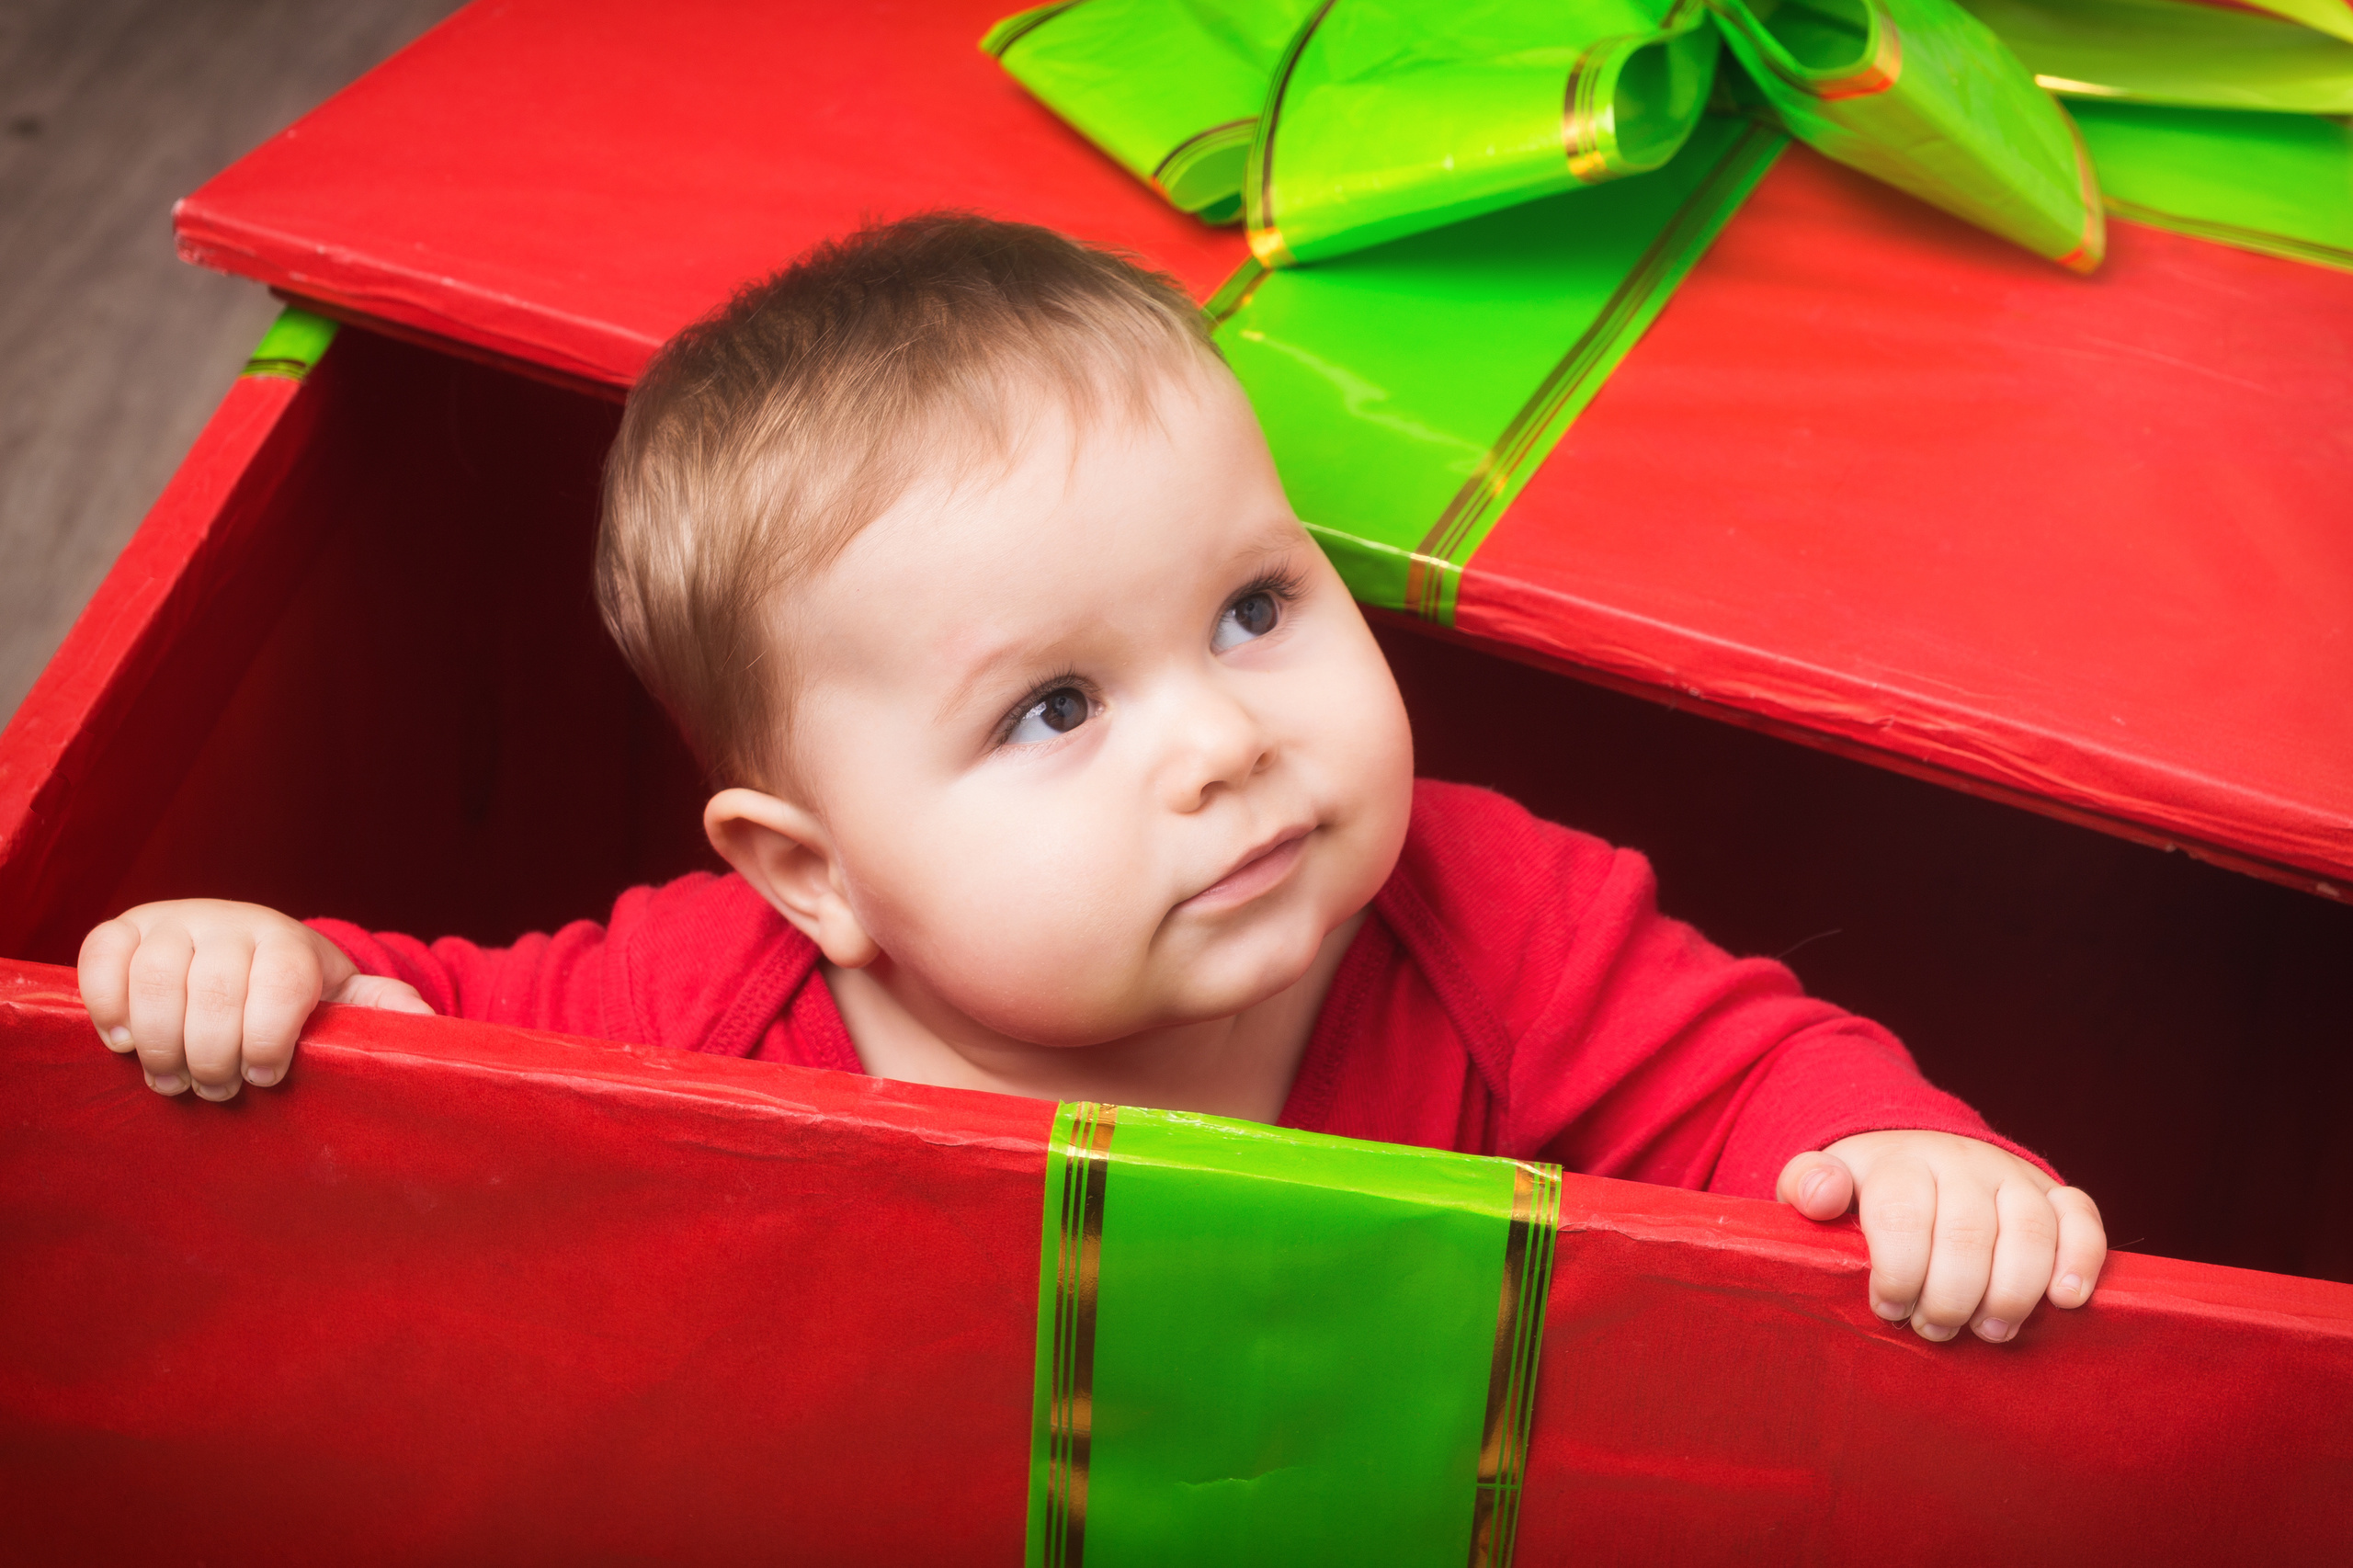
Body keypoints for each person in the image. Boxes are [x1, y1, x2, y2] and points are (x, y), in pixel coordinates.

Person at [76, 213, 2103, 1346]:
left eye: (1248, 606)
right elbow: (434, 1036)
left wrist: (1906, 1158)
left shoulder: (1489, 913)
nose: (1223, 739)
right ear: (816, 873)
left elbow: (1749, 1075)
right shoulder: (711, 1001)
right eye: (1054, 709)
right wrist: (272, 963)